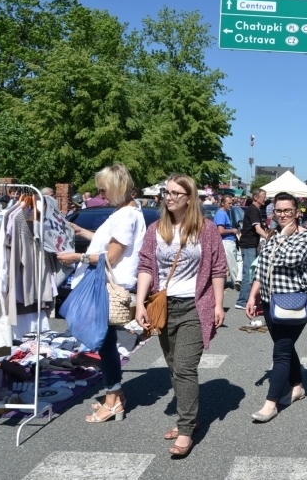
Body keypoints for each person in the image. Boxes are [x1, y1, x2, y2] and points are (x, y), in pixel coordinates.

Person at [135, 173, 226, 458]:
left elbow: (218, 269)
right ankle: (190, 416)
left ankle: (186, 428)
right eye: (167, 192)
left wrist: (218, 304)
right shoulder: (156, 229)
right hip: (164, 307)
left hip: (194, 307)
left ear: (190, 198)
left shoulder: (206, 229)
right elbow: (146, 266)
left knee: (185, 367)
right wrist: (139, 304)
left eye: (176, 193)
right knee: (174, 366)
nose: (170, 197)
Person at [56, 164, 145, 423]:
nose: (100, 193)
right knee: (105, 344)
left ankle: (112, 398)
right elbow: (109, 243)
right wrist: (81, 232)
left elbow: (112, 256)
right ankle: (115, 396)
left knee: (104, 344)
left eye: (104, 189)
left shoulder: (126, 215)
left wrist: (77, 256)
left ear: (117, 187)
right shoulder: (128, 211)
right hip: (107, 283)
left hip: (108, 284)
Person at [246, 192, 307, 422]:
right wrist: (252, 295)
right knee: (284, 346)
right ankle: (297, 385)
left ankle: (270, 404)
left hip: (292, 301)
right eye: (279, 210)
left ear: (296, 212)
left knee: (281, 351)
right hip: (269, 300)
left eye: (287, 210)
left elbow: (290, 259)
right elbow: (262, 267)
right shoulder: (270, 236)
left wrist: (283, 236)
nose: (283, 214)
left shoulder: (305, 237)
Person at [236, 189, 267, 310]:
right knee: (249, 273)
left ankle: (247, 299)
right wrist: (268, 237)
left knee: (251, 272)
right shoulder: (253, 209)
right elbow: (258, 228)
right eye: (263, 196)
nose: (264, 199)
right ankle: (242, 301)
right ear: (255, 197)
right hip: (248, 244)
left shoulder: (255, 209)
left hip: (251, 244)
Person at [214, 195, 239, 289]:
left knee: (224, 264)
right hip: (226, 241)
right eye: (229, 203)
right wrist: (232, 230)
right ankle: (237, 282)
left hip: (227, 241)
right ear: (223, 203)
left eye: (231, 203)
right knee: (232, 263)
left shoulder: (224, 213)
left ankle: (223, 283)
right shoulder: (221, 214)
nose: (230, 205)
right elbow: (220, 231)